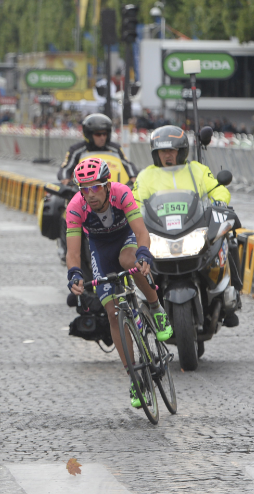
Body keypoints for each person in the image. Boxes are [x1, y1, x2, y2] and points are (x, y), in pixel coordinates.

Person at [65, 158, 172, 408]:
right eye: (84, 189)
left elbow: (141, 231)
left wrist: (144, 252)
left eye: (95, 187)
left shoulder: (122, 194)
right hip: (100, 250)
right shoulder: (75, 207)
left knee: (129, 260)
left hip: (126, 239)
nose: (90, 194)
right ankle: (134, 377)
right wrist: (74, 274)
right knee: (113, 314)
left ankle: (155, 308)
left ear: (106, 184)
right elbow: (72, 252)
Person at [132, 126, 241, 314]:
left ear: (181, 151)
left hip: (194, 227)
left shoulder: (197, 170)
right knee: (130, 248)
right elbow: (134, 201)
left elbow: (217, 189)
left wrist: (220, 202)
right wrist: (131, 214)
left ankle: (233, 291)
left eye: (171, 150)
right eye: (162, 151)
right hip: (160, 231)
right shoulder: (146, 175)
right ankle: (139, 299)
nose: (167, 155)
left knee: (229, 238)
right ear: (155, 153)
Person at [57, 114, 138, 184]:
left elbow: (127, 164)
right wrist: (65, 179)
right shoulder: (76, 150)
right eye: (98, 134)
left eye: (104, 134)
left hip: (112, 191)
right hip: (84, 191)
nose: (102, 137)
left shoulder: (115, 149)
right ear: (89, 135)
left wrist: (133, 177)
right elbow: (66, 167)